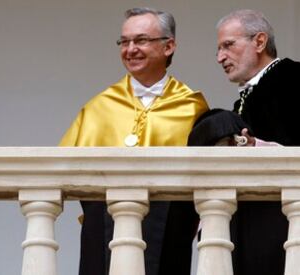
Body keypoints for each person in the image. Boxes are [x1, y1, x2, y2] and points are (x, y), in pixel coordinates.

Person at [59, 7, 209, 275]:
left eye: (140, 40)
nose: (130, 49)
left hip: (168, 232)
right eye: (124, 41)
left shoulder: (193, 106)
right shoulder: (99, 106)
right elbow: (64, 168)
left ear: (169, 46)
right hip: (106, 227)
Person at [212, 9, 300, 275]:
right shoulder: (246, 96)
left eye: (228, 45)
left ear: (259, 42)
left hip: (279, 214)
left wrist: (259, 147)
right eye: (219, 49)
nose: (221, 57)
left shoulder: (295, 77)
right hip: (242, 215)